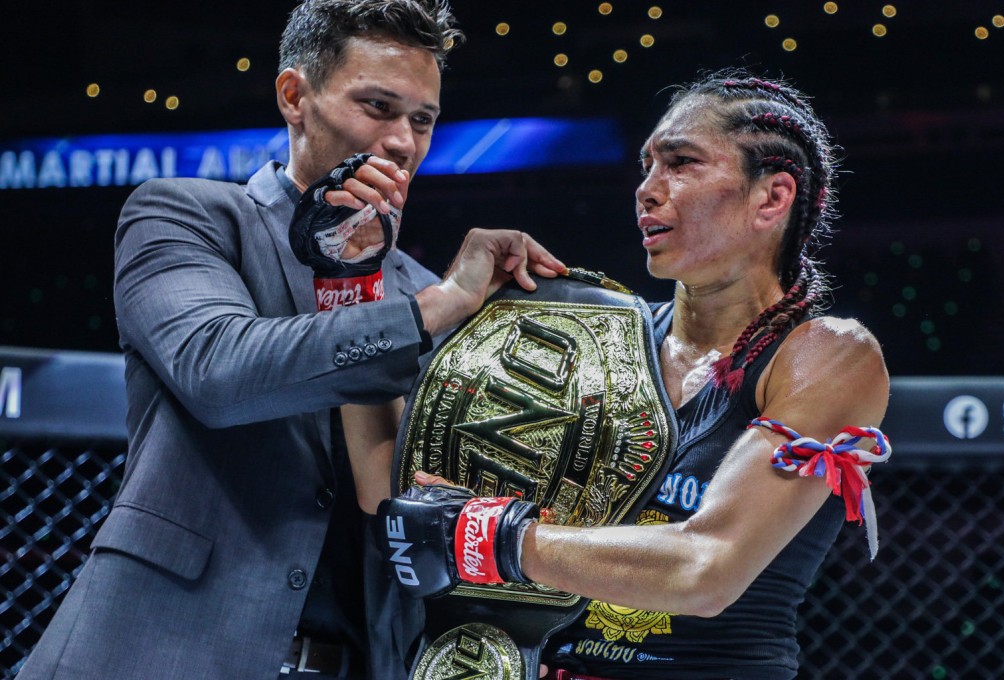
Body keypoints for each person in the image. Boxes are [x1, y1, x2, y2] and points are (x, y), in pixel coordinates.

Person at [16, 1, 565, 679]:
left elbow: (401, 498)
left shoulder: (424, 293)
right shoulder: (188, 216)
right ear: (295, 97)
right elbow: (217, 374)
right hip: (158, 654)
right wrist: (435, 307)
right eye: (377, 106)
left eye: (421, 121)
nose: (401, 142)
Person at [383, 69, 891, 679]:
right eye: (647, 165)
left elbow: (707, 567)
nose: (647, 189)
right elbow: (393, 486)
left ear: (771, 198)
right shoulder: (589, 343)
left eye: (681, 162)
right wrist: (386, 290)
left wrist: (489, 537)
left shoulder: (827, 356)